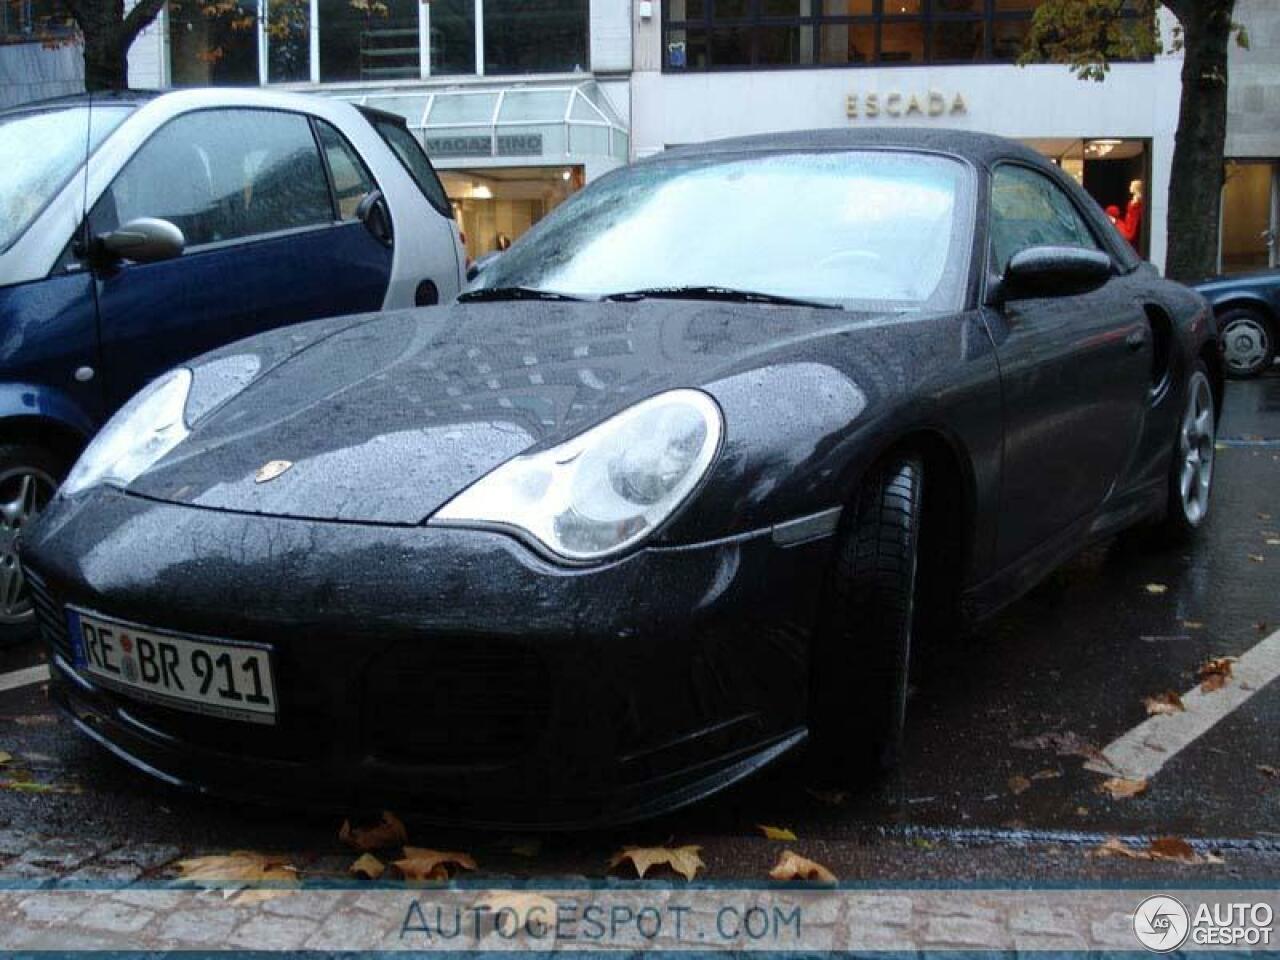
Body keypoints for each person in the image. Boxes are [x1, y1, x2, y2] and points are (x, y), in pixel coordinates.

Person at [1117, 179, 1144, 249]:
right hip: (1129, 221)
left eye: (1131, 185)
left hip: (1132, 223)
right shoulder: (1134, 198)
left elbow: (1137, 213)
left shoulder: (1138, 199)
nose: (1130, 187)